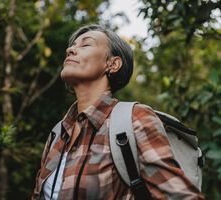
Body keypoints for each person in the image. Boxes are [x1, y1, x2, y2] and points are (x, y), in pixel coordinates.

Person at [32, 24, 204, 200]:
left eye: (86, 44)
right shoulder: (57, 134)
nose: (70, 50)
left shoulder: (135, 119)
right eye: (73, 45)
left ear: (113, 64)